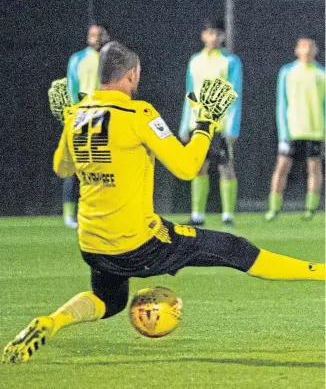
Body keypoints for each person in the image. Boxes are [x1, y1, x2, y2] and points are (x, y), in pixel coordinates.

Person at [3, 41, 324, 364]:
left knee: (108, 301)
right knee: (234, 249)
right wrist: (206, 124)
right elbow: (186, 168)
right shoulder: (139, 113)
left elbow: (62, 168)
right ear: (132, 75)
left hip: (93, 243)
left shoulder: (76, 114)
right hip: (139, 243)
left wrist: (66, 122)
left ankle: (52, 321)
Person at [179, 19, 242, 226]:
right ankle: (197, 215)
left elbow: (235, 95)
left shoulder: (231, 62)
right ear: (203, 35)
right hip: (197, 123)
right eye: (209, 33)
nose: (213, 37)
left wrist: (232, 127)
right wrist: (184, 124)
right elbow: (189, 92)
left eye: (217, 33)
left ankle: (228, 215)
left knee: (226, 166)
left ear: (223, 36)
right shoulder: (194, 60)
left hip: (220, 124)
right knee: (199, 167)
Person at [265, 38, 325, 221]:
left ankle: (310, 209)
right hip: (292, 130)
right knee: (282, 166)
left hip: (315, 130)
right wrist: (284, 130)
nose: (307, 50)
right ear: (297, 50)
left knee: (314, 167)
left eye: (310, 47)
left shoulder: (321, 74)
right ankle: (274, 209)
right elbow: (281, 103)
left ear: (316, 50)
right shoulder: (287, 72)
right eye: (303, 47)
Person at [62, 24, 110, 229]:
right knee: (76, 167)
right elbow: (72, 87)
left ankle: (98, 211)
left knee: (102, 168)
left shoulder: (111, 59)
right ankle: (68, 214)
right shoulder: (77, 59)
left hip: (105, 117)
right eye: (92, 34)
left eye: (99, 34)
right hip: (82, 117)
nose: (96, 38)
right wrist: (73, 114)